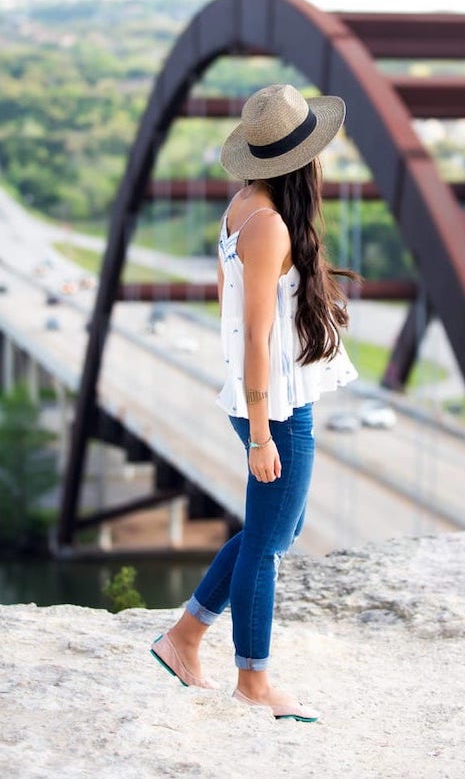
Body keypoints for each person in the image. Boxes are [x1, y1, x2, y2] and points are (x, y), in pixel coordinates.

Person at [150, 83, 358, 722]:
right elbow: (259, 340)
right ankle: (252, 680)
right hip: (277, 405)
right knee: (268, 543)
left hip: (270, 397)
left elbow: (234, 309)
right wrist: (264, 432)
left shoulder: (244, 205)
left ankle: (184, 636)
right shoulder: (268, 224)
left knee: (277, 529)